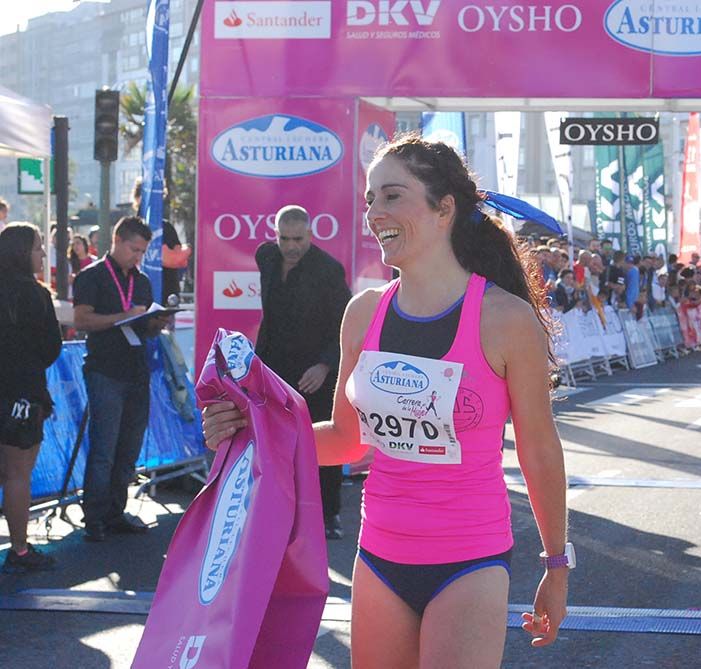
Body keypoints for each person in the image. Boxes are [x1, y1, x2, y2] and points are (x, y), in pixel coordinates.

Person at [202, 134, 570, 665]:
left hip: (470, 560)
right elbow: (347, 441)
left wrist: (556, 565)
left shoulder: (505, 319)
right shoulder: (363, 313)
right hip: (378, 557)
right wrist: (250, 430)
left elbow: (539, 450)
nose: (375, 212)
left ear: (444, 208)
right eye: (370, 198)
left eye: (393, 195)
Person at [255, 204, 352, 540]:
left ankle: (329, 515)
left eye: (298, 239)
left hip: (315, 376)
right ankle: (282, 511)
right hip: (274, 371)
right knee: (277, 445)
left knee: (321, 445)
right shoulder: (266, 257)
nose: (291, 246)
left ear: (310, 235)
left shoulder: (329, 270)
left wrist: (325, 365)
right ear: (276, 236)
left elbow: (345, 325)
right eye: (284, 239)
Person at [73, 217, 170, 542]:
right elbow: (81, 320)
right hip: (105, 370)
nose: (138, 257)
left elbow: (144, 329)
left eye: (142, 251)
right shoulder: (92, 276)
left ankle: (115, 513)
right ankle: (95, 518)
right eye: (134, 249)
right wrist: (122, 317)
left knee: (128, 449)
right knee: (104, 448)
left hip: (136, 371)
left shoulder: (141, 281)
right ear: (117, 241)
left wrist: (156, 322)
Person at [0, 224, 62, 572]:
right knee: (17, 473)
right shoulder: (36, 295)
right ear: (22, 252)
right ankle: (20, 550)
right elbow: (51, 347)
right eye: (39, 247)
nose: (42, 254)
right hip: (23, 394)